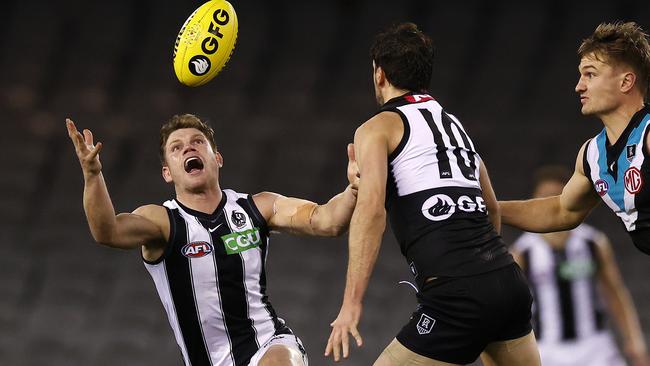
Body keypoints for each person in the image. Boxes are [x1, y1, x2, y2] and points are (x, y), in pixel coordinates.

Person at [323, 23, 541, 366]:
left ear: (380, 74)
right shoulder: (454, 125)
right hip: (507, 282)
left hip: (457, 295)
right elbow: (491, 208)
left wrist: (351, 304)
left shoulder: (377, 128)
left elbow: (371, 211)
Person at [66, 114, 359, 366]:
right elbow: (107, 232)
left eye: (197, 142)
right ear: (167, 173)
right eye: (176, 147)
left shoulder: (258, 207)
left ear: (216, 158)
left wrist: (354, 190)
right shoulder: (162, 222)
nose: (188, 148)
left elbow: (326, 221)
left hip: (268, 346)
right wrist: (93, 175)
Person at [499, 22, 650, 255]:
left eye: (590, 74)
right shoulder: (592, 155)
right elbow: (562, 210)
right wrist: (489, 208)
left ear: (626, 82)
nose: (579, 86)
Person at [511, 165, 649, 366]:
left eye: (556, 197)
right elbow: (512, 309)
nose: (549, 204)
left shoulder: (593, 242)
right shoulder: (523, 252)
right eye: (544, 197)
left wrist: (633, 338)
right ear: (533, 201)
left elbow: (615, 293)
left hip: (595, 348)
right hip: (548, 350)